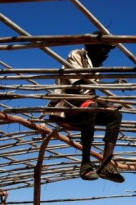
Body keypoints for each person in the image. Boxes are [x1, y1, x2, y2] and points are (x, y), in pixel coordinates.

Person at [50, 43, 124, 183]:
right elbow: (78, 86)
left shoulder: (95, 67)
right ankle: (85, 164)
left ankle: (106, 164)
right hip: (68, 104)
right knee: (91, 106)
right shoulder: (77, 55)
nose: (106, 55)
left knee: (115, 114)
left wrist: (108, 105)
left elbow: (91, 94)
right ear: (94, 48)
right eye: (104, 50)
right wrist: (111, 84)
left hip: (87, 106)